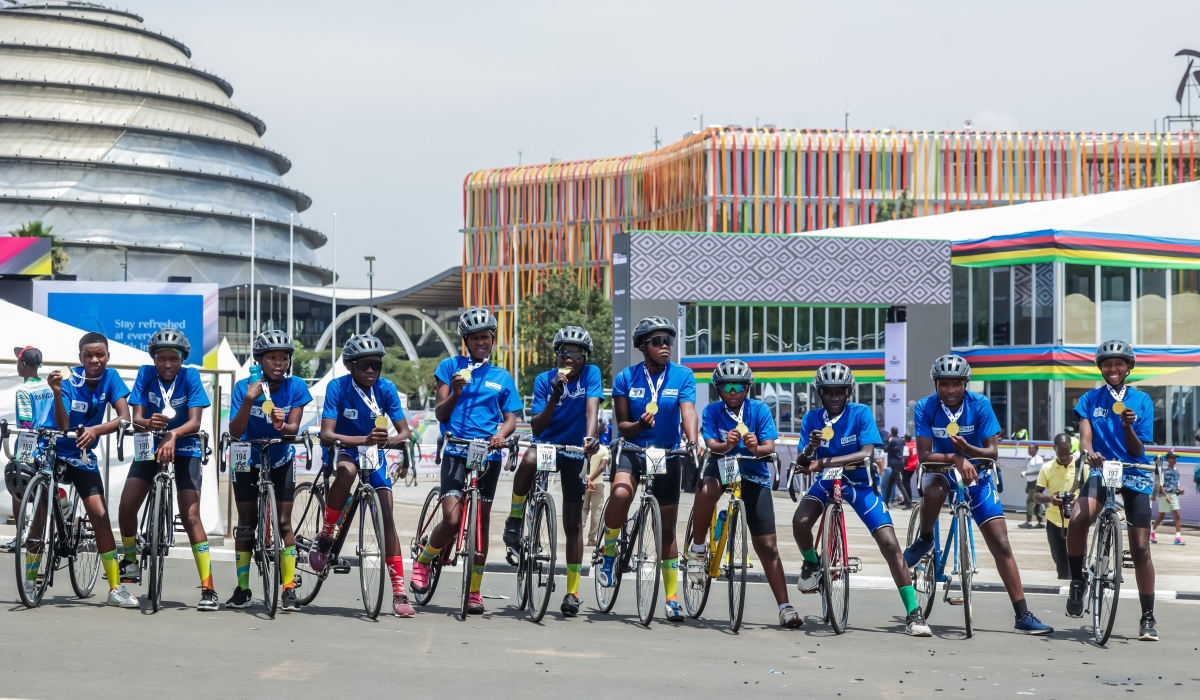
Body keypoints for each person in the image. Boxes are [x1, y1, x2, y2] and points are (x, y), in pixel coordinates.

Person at [902, 354, 1053, 635]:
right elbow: (924, 455)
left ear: (965, 384)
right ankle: (925, 539)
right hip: (941, 470)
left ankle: (1023, 615)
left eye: (956, 384)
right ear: (936, 384)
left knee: (1001, 543)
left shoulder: (980, 404)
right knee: (933, 489)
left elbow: (992, 451)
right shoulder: (925, 407)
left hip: (979, 474)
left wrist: (969, 453)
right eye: (944, 384)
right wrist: (955, 458)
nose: (950, 389)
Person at [793, 363, 931, 636]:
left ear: (848, 392)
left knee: (889, 543)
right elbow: (801, 462)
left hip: (860, 484)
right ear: (820, 393)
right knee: (800, 521)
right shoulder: (811, 418)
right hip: (827, 482)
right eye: (828, 392)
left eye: (840, 392)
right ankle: (811, 562)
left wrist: (821, 461)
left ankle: (913, 614)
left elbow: (866, 452)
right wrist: (810, 447)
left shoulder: (861, 413)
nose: (834, 397)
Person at [411, 309, 520, 615]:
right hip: (456, 451)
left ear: (493, 340)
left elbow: (511, 418)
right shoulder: (450, 367)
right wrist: (457, 391)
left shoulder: (502, 376)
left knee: (481, 526)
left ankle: (474, 591)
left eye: (485, 337)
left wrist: (500, 435)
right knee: (453, 518)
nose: (480, 342)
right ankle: (423, 560)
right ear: (466, 342)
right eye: (474, 338)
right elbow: (441, 414)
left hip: (488, 454)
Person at [598, 316, 700, 622]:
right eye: (657, 341)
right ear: (643, 346)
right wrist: (639, 424)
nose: (665, 345)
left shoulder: (682, 376)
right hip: (633, 450)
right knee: (619, 493)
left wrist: (693, 441)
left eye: (668, 340)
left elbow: (689, 411)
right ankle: (609, 551)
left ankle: (671, 599)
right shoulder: (625, 378)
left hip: (668, 453)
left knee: (667, 529)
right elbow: (623, 426)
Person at [689, 359, 800, 629]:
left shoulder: (759, 409)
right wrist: (726, 444)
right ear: (718, 389)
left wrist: (756, 448)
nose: (733, 391)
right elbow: (711, 444)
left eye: (739, 385)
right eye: (726, 386)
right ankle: (698, 549)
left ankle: (785, 607)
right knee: (706, 490)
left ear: (747, 387)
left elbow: (769, 447)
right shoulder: (713, 411)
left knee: (768, 546)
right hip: (722, 466)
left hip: (753, 473)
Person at [502, 326, 603, 617]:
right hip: (547, 444)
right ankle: (516, 517)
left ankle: (572, 592)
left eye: (577, 354)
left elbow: (591, 410)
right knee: (529, 460)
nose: (570, 359)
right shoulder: (544, 379)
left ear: (585, 357)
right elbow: (536, 427)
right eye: (564, 353)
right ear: (557, 355)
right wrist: (554, 397)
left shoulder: (591, 374)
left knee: (573, 523)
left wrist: (590, 437)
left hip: (573, 449)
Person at [310, 334, 414, 617]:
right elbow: (327, 433)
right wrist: (363, 439)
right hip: (345, 448)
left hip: (374, 452)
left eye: (376, 365)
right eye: (365, 365)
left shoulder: (387, 388)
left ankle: (399, 591)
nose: (371, 371)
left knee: (388, 518)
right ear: (350, 366)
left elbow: (404, 432)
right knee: (347, 471)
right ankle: (327, 533)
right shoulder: (337, 387)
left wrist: (386, 441)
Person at [1066, 340, 1158, 640]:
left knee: (1142, 548)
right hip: (1101, 469)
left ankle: (1147, 616)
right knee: (1079, 518)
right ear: (1100, 368)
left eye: (1119, 363)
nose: (1113, 368)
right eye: (1107, 364)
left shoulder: (1142, 401)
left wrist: (1128, 425)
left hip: (1133, 472)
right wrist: (1089, 453)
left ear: (1129, 367)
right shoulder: (1090, 399)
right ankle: (1078, 580)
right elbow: (1086, 437)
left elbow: (1136, 448)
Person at [118, 328, 216, 610]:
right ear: (154, 359)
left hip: (185, 443)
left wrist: (172, 435)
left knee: (191, 515)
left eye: (173, 359)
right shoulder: (145, 374)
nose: (167, 365)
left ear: (182, 359)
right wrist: (150, 424)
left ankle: (208, 587)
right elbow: (137, 417)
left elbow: (195, 422)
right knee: (126, 506)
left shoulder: (191, 376)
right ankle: (130, 560)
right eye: (162, 359)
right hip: (149, 442)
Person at [226, 330, 312, 612]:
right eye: (271, 357)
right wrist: (249, 399)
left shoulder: (296, 386)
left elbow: (292, 430)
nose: (278, 362)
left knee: (284, 523)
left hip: (279, 457)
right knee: (247, 524)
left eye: (283, 358)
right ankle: (242, 588)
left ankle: (288, 587)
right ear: (259, 361)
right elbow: (235, 431)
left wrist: (280, 423)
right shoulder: (242, 387)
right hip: (246, 455)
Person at [2, 346, 53, 554]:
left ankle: (21, 535)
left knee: (17, 488)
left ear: (23, 365)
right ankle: (37, 536)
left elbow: (25, 424)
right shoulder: (46, 386)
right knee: (42, 490)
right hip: (47, 442)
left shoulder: (23, 391)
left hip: (27, 443)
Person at [1033, 434, 1081, 580]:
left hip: (1077, 521)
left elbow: (1089, 491)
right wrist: (1050, 499)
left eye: (1067, 453)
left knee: (1078, 564)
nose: (1064, 457)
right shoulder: (1047, 468)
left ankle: (1077, 593)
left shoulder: (1081, 467)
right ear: (1054, 449)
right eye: (1060, 454)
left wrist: (1078, 501)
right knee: (1061, 566)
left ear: (1071, 450)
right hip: (1055, 523)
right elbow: (1036, 495)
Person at [582, 415, 610, 547]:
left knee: (583, 509)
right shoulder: (604, 450)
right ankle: (592, 538)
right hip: (597, 483)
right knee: (596, 512)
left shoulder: (583, 448)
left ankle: (577, 534)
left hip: (583, 482)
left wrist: (587, 479)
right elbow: (602, 467)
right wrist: (592, 479)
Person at [1152, 451, 1185, 546]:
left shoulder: (1177, 471)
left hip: (1174, 495)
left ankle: (1178, 538)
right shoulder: (1163, 470)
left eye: (1175, 458)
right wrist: (1165, 496)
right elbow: (1161, 484)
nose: (1175, 459)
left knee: (1177, 515)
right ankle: (1152, 532)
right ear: (1168, 459)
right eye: (1173, 458)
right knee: (1161, 516)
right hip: (1164, 495)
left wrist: (1180, 490)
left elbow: (1176, 484)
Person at [1020, 443, 1045, 529]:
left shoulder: (1037, 458)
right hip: (1031, 483)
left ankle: (1029, 522)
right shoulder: (1032, 459)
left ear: (1035, 449)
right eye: (1028, 449)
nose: (1029, 450)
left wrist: (1025, 473)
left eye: (1030, 449)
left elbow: (1038, 469)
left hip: (1035, 483)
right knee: (1037, 502)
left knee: (1030, 501)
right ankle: (1040, 522)